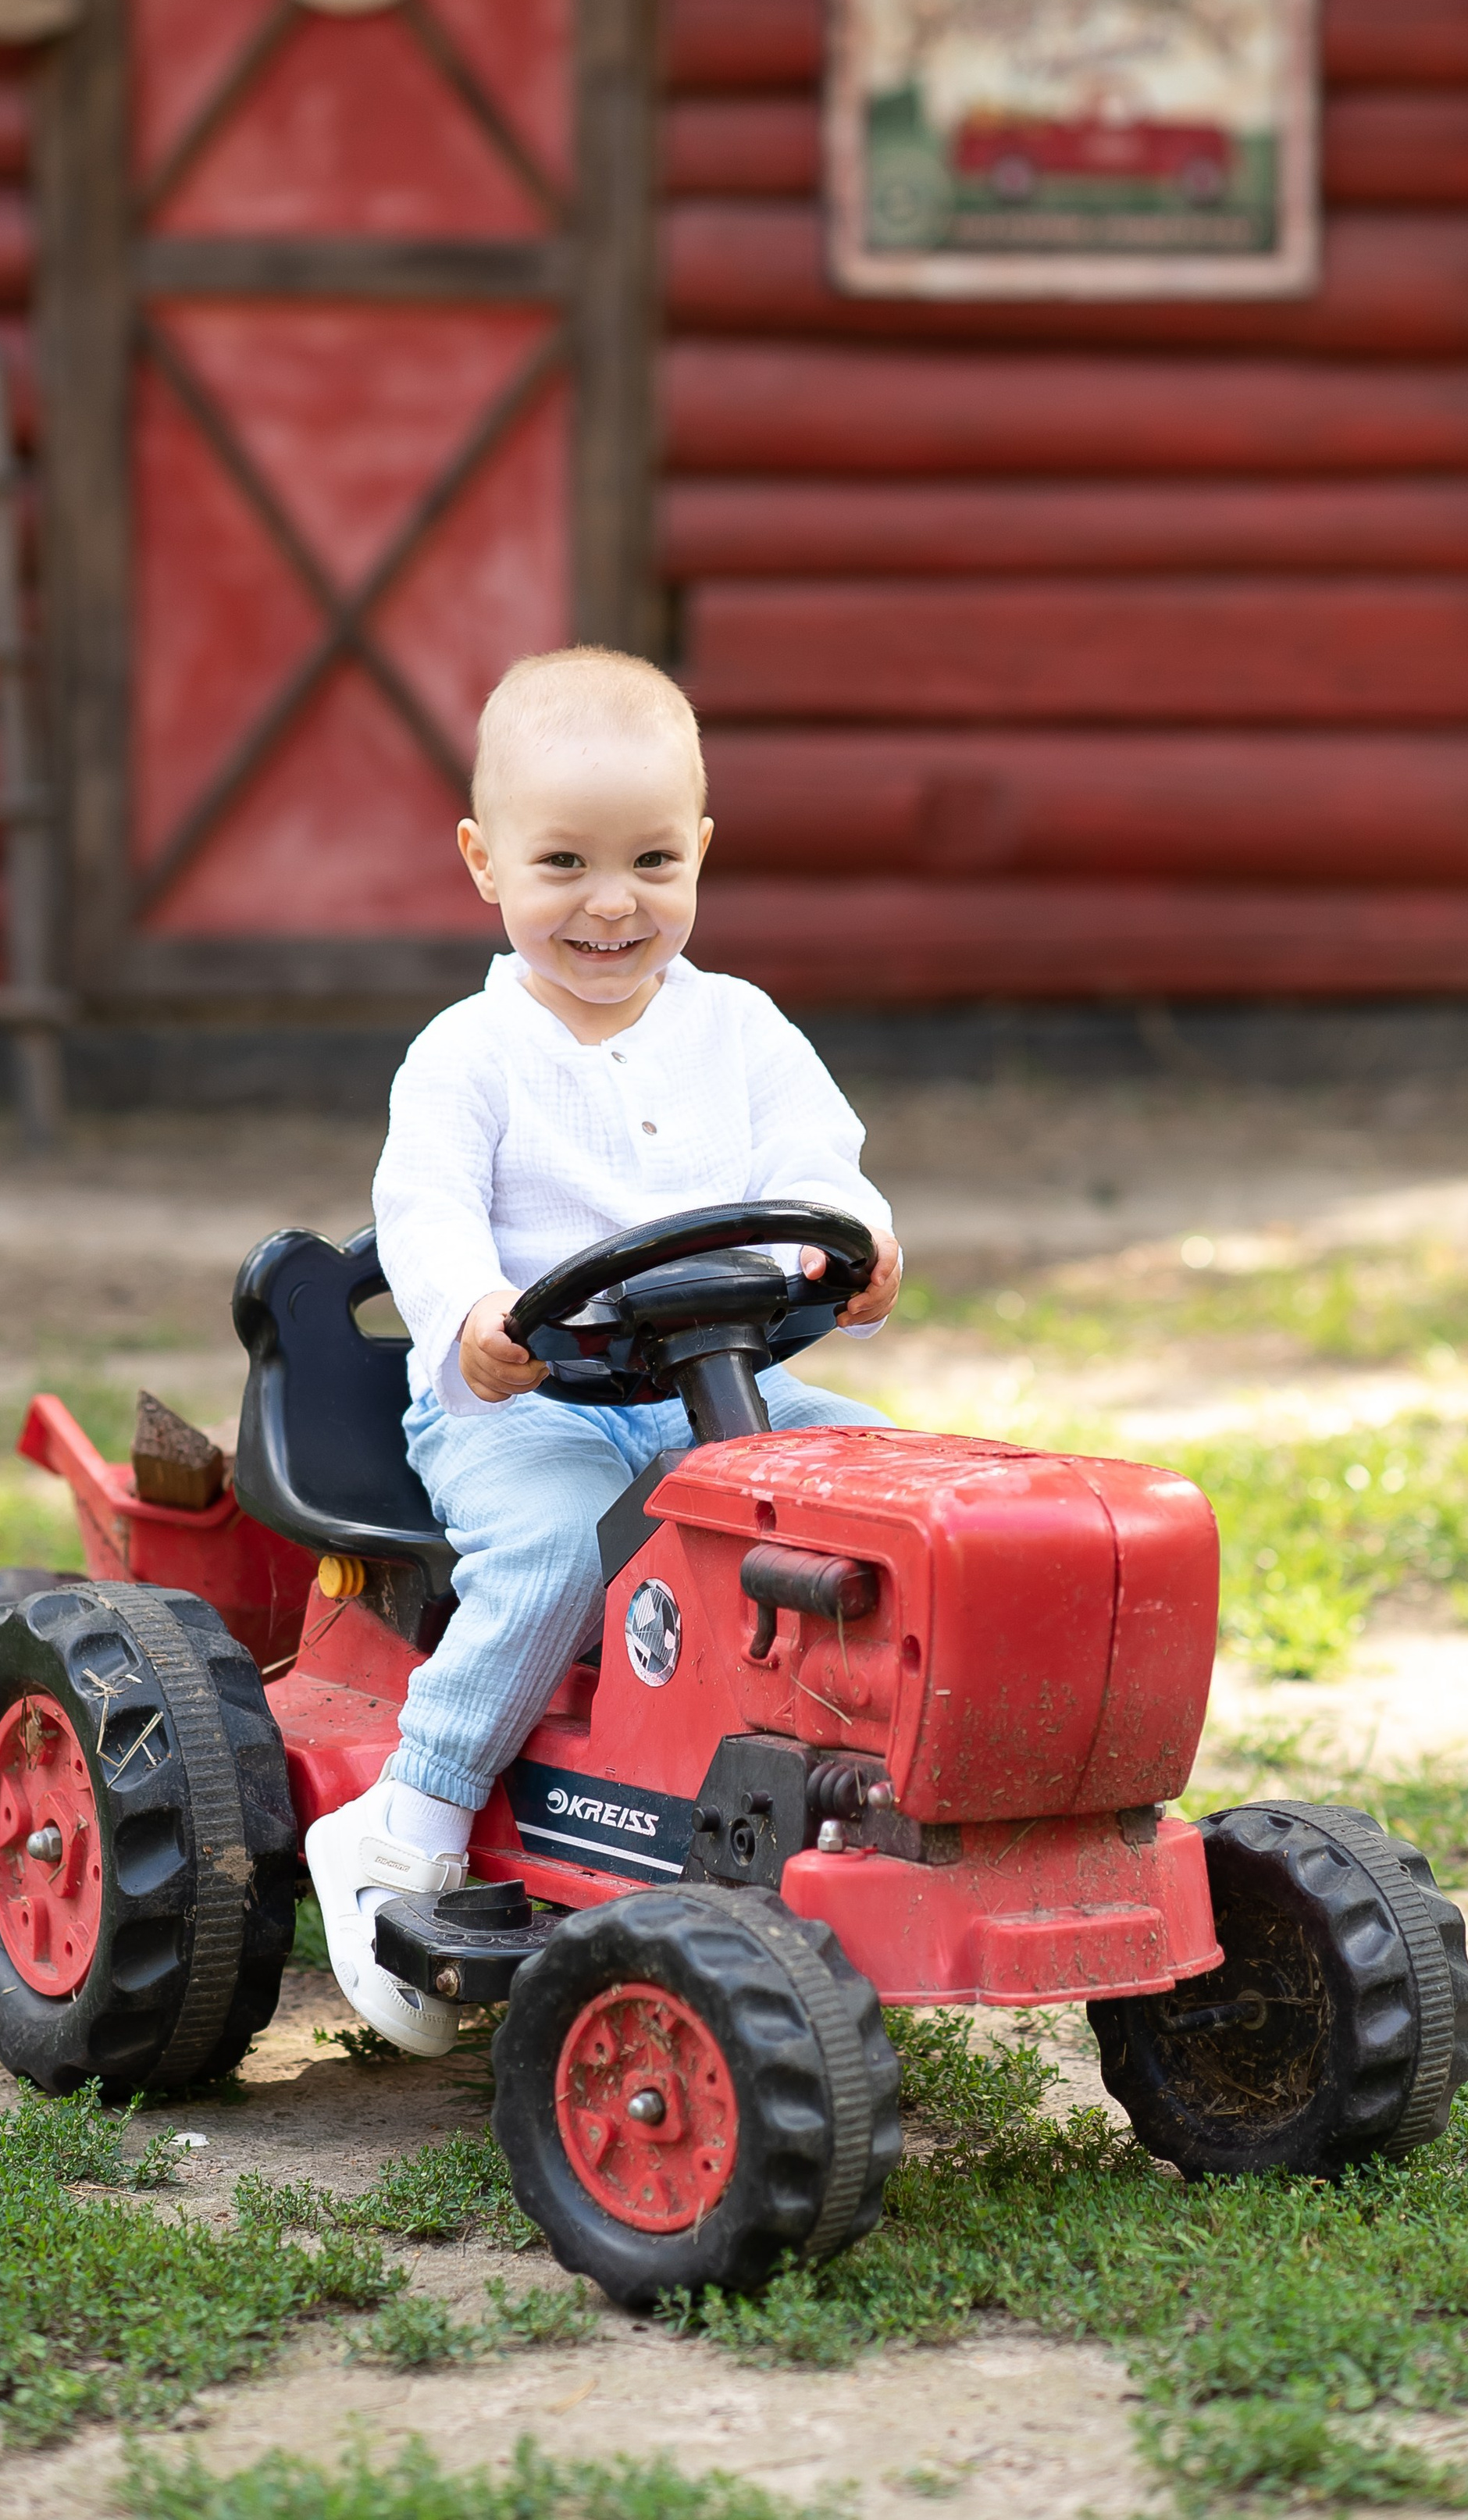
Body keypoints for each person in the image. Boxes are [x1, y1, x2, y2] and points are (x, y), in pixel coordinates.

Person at [305, 647, 901, 2052]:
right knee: (562, 1552)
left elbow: (824, 1164)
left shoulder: (740, 1028)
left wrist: (860, 1242)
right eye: (563, 861)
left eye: (649, 859)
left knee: (880, 1491)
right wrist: (473, 1318)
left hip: (726, 1387)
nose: (613, 902)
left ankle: (871, 1788)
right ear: (482, 862)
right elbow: (428, 1210)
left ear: (699, 851)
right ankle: (415, 1816)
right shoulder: (467, 1055)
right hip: (529, 1404)